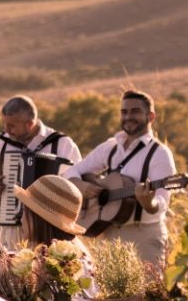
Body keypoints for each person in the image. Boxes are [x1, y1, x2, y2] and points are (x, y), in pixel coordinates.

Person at [64, 90, 177, 266]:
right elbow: (72, 171)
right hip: (108, 234)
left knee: (145, 292)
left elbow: (162, 201)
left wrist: (148, 203)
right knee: (108, 293)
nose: (128, 117)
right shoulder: (111, 147)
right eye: (124, 112)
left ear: (151, 116)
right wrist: (81, 186)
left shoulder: (160, 154)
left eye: (135, 111)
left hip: (143, 236)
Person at [0, 96, 81, 249]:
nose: (6, 130)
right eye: (4, 124)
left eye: (11, 126)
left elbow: (76, 184)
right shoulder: (2, 143)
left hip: (50, 229)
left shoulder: (63, 144)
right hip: (11, 228)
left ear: (29, 124)